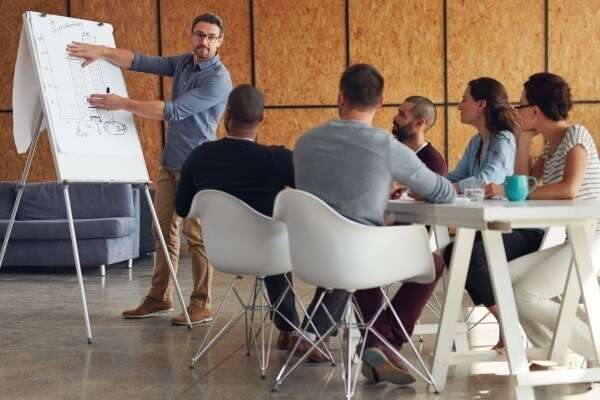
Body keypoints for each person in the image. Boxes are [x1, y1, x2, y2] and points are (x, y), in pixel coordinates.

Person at [293, 63, 456, 385]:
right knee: (432, 263)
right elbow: (443, 191)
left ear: (340, 97)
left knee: (363, 247)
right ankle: (381, 340)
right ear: (380, 102)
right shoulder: (385, 145)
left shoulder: (305, 141)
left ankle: (370, 341)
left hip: (309, 256)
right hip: (359, 257)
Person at [67, 13, 232, 324]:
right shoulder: (184, 63)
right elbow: (140, 61)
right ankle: (159, 298)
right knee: (163, 232)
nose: (204, 42)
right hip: (170, 162)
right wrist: (102, 51)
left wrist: (122, 103)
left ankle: (202, 303)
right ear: (192, 36)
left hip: (199, 167)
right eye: (199, 35)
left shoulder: (218, 79)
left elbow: (174, 111)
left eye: (211, 37)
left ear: (219, 41)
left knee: (196, 236)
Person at [485, 73, 600, 365]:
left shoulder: (576, 135)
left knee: (525, 295)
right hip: (576, 238)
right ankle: (553, 352)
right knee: (503, 280)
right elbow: (521, 185)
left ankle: (594, 351)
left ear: (535, 110)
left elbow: (568, 189)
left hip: (595, 237)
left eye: (520, 105)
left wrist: (514, 192)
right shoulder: (550, 146)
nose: (516, 112)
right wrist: (523, 139)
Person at [175, 84, 299, 349]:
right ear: (262, 118)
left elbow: (182, 208)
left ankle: (289, 327)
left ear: (227, 115)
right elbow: (311, 192)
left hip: (222, 253)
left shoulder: (200, 156)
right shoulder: (278, 159)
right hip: (270, 253)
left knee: (271, 241)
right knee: (274, 240)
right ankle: (290, 328)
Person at [442, 77, 544, 352]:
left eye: (464, 99)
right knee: (452, 252)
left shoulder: (504, 139)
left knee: (472, 257)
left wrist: (446, 188)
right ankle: (508, 326)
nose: (459, 105)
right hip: (496, 227)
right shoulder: (477, 142)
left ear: (481, 104)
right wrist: (429, 186)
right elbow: (457, 176)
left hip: (522, 229)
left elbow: (489, 180)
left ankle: (510, 327)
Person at [392, 95, 447, 176]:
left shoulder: (434, 165)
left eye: (402, 115)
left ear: (419, 123)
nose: (395, 118)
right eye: (398, 113)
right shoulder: (389, 147)